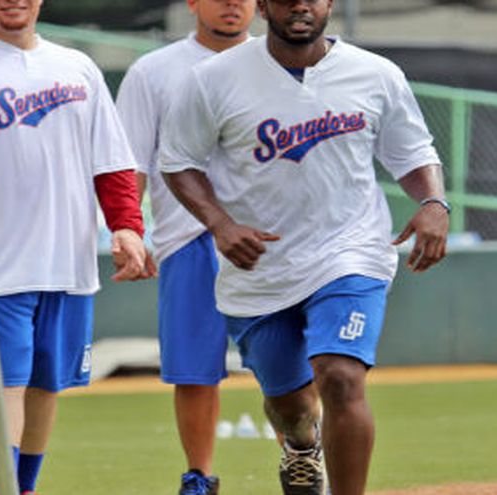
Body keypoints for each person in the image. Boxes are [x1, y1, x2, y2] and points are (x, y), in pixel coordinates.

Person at [157, 0, 450, 493]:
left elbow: (413, 151)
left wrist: (434, 202)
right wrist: (221, 225)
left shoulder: (375, 74)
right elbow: (178, 161)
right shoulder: (213, 79)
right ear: (263, 5)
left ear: (329, 3)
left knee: (340, 377)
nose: (300, 5)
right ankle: (300, 445)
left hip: (351, 250)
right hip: (260, 265)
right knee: (290, 407)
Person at [0, 1, 153, 494]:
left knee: (47, 384)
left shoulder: (77, 66)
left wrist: (127, 226)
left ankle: (23, 488)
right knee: (4, 385)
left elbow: (111, 160)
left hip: (67, 261)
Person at [115, 1, 255, 493]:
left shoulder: (279, 62)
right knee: (195, 372)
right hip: (187, 236)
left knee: (288, 368)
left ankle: (303, 467)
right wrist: (129, 228)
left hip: (270, 240)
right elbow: (130, 161)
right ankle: (199, 476)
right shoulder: (153, 71)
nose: (233, 3)